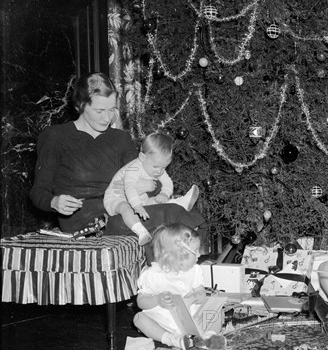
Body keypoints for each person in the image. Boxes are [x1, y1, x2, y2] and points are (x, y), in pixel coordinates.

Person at [29, 72, 206, 242]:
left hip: (124, 209)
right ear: (81, 105)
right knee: (174, 214)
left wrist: (148, 187)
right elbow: (38, 192)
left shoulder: (121, 139)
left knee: (185, 213)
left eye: (112, 109)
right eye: (100, 111)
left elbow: (151, 176)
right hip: (86, 221)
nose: (108, 118)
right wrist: (54, 202)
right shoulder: (55, 136)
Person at [133, 224, 227, 350]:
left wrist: (194, 297)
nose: (199, 255)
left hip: (194, 315)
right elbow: (141, 301)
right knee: (139, 318)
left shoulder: (195, 270)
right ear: (178, 255)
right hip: (164, 319)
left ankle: (207, 337)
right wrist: (157, 300)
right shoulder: (153, 274)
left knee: (218, 311)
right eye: (196, 251)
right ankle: (172, 339)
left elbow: (201, 293)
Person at [103, 132, 200, 245]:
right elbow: (129, 187)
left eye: (163, 168)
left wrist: (164, 194)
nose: (159, 171)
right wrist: (137, 206)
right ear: (142, 157)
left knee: (155, 201)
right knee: (125, 208)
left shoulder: (156, 167)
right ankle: (141, 232)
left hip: (140, 197)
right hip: (116, 198)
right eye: (156, 167)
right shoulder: (133, 169)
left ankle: (179, 203)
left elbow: (167, 182)